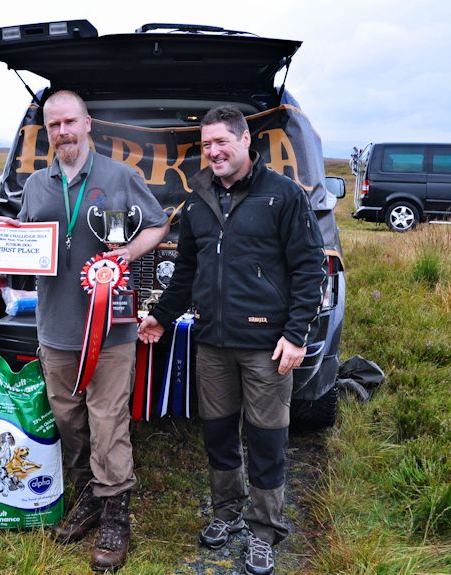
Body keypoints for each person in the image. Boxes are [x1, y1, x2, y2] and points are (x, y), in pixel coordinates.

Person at [138, 106, 326, 575]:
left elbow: (309, 269)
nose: (214, 151)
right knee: (219, 434)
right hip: (213, 344)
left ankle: (264, 532)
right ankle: (227, 513)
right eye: (206, 145)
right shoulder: (198, 200)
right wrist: (162, 316)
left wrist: (296, 334)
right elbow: (186, 271)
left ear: (245, 141)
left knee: (266, 440)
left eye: (222, 141)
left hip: (268, 346)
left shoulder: (282, 195)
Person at [0, 90, 169, 572]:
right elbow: (32, 238)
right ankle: (87, 497)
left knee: (108, 420)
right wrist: (14, 235)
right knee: (68, 419)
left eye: (70, 122)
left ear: (88, 123)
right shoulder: (36, 183)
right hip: (55, 329)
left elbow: (156, 225)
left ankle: (117, 513)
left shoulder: (121, 177)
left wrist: (128, 256)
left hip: (111, 331)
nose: (63, 133)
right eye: (54, 126)